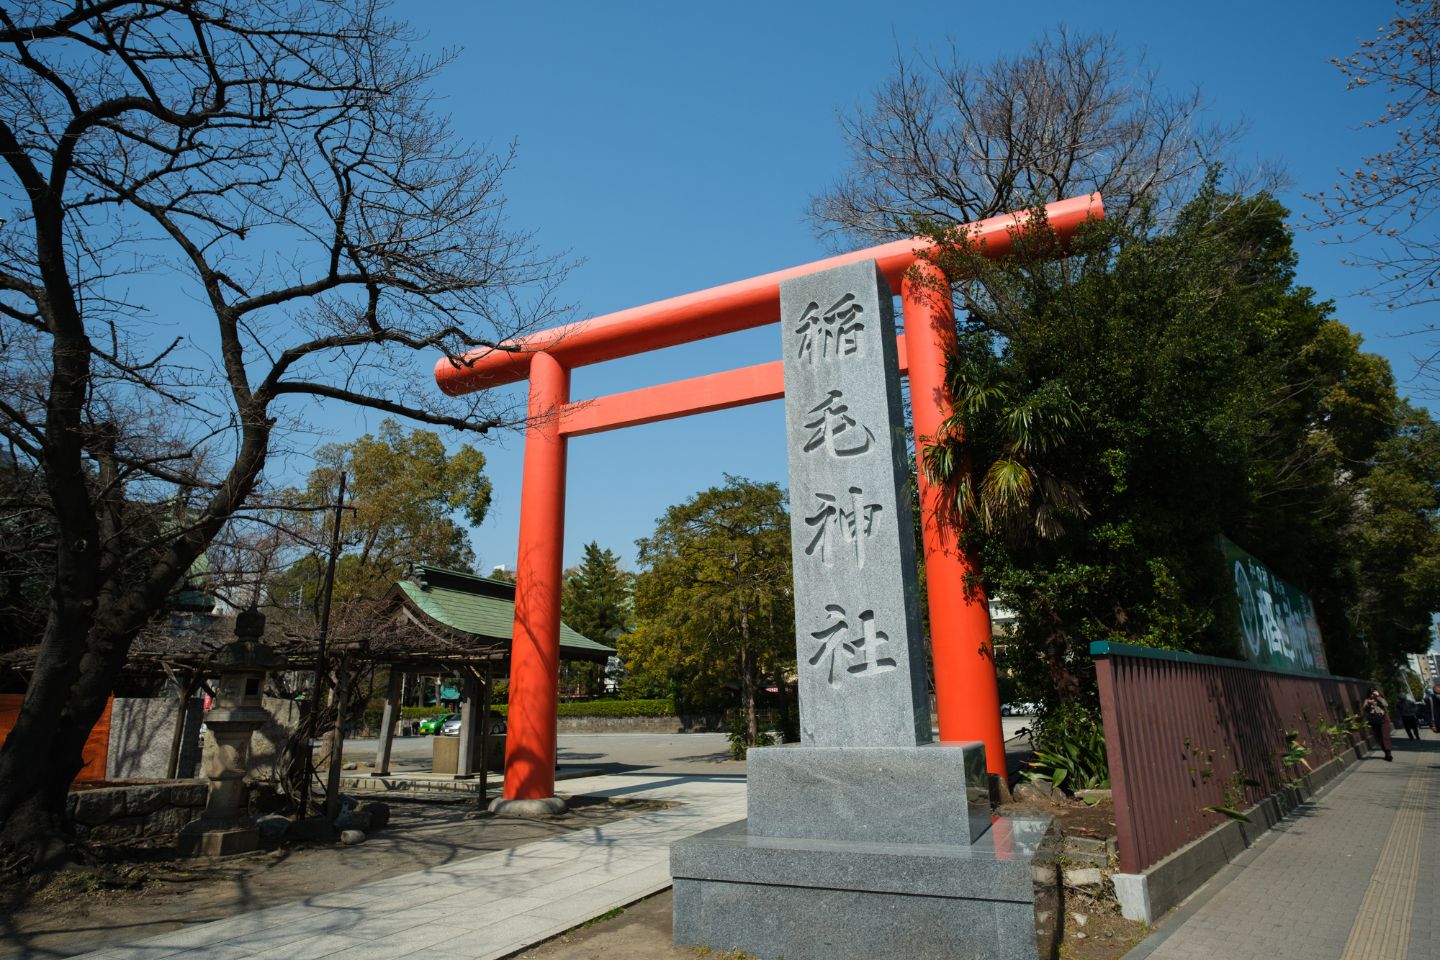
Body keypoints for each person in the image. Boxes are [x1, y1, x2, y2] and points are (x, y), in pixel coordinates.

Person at [1363, 686, 1393, 761]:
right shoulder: (1367, 700)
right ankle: (1385, 752)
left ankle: (1389, 753)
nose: (1372, 695)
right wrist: (1369, 703)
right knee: (1379, 738)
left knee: (1385, 736)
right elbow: (1364, 708)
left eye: (1373, 693)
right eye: (1371, 693)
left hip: (1383, 719)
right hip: (1374, 721)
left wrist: (1378, 697)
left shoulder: (1380, 699)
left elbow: (1386, 704)